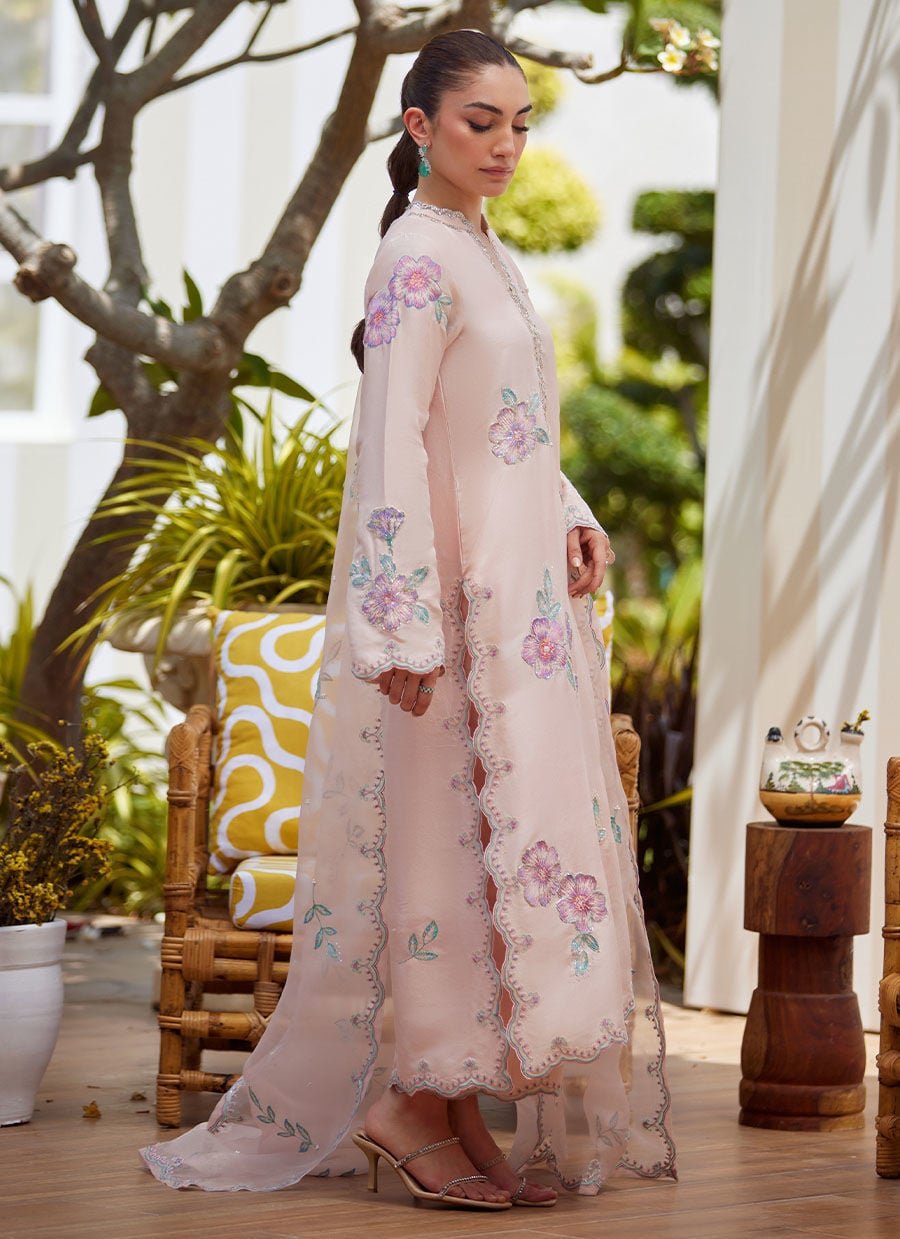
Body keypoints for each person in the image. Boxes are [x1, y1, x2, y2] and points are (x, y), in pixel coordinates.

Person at [141, 29, 675, 1209]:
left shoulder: (482, 249)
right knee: (446, 858)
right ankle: (410, 1103)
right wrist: (397, 631)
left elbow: (499, 425)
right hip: (448, 621)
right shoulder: (418, 257)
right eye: (482, 122)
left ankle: (451, 1105)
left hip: (516, 615)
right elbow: (389, 446)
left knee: (494, 856)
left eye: (522, 123)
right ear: (419, 127)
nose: (508, 144)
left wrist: (571, 511)